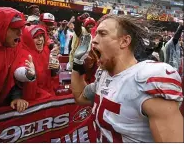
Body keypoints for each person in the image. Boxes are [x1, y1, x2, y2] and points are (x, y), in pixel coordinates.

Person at [71, 14, 183, 142]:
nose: (94, 40)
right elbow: (80, 97)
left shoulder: (146, 79)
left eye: (102, 34)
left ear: (124, 41)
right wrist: (77, 64)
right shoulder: (104, 76)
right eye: (95, 34)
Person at [8, 25, 60, 112]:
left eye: (41, 36)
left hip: (49, 97)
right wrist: (28, 74)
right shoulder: (23, 53)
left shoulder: (46, 50)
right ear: (28, 39)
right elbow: (17, 73)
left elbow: (53, 74)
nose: (40, 39)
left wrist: (56, 66)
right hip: (32, 103)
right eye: (35, 37)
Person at [0, 7, 25, 108]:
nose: (20, 33)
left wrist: (16, 97)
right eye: (14, 29)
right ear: (0, 28)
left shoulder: (12, 46)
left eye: (21, 28)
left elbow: (11, 77)